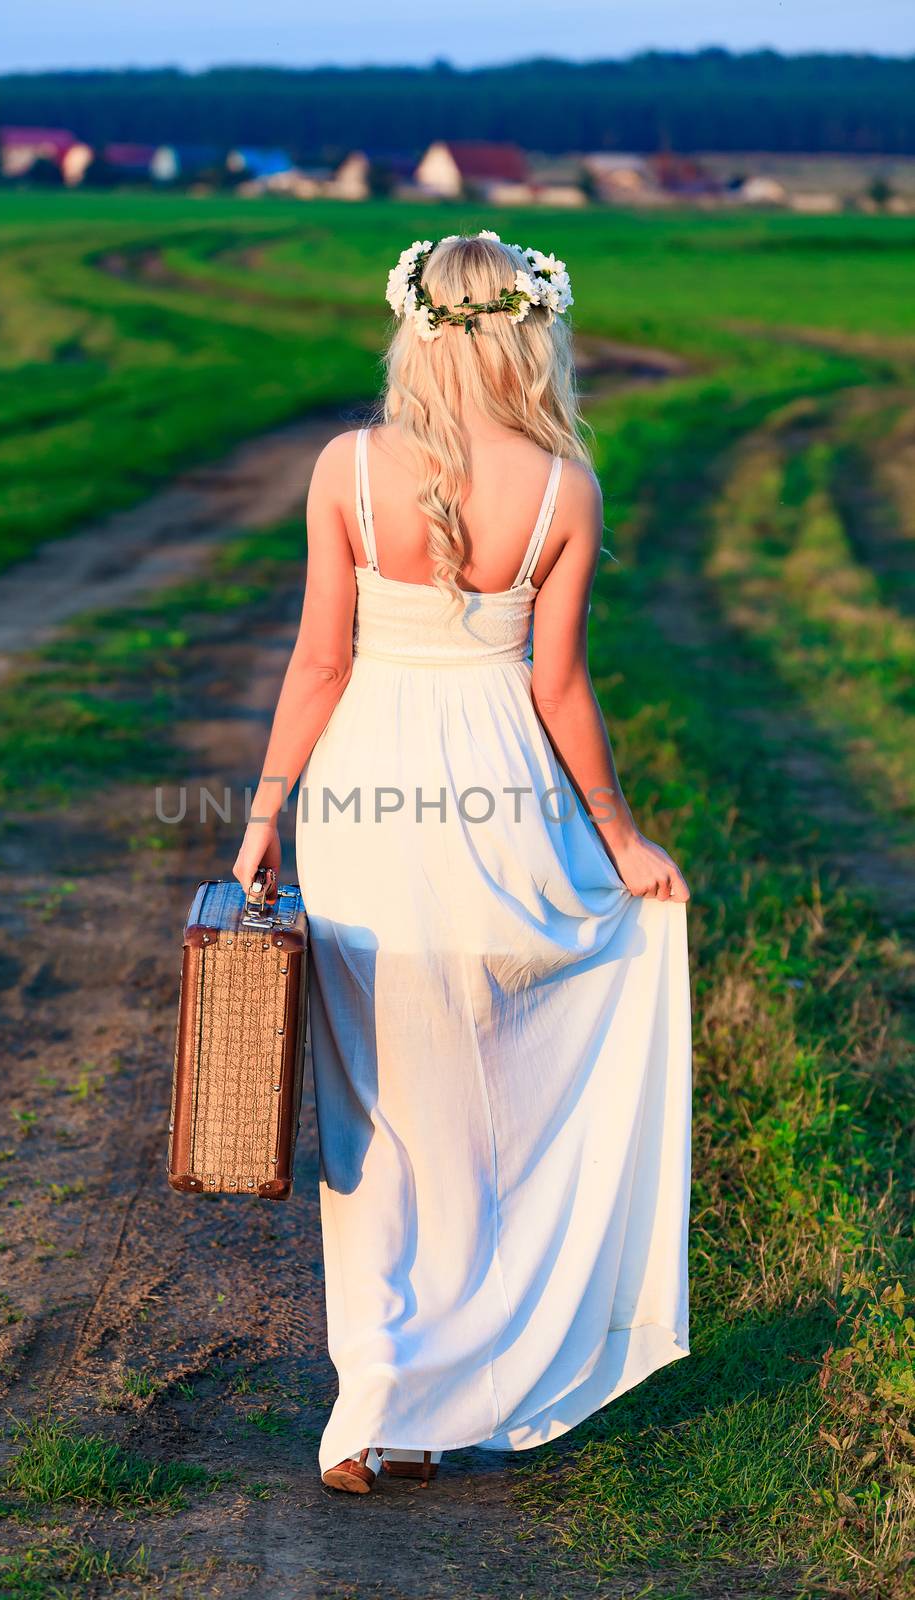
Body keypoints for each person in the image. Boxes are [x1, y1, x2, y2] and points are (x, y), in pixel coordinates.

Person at [234, 231, 692, 1493]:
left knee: (372, 1106)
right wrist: (621, 837)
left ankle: (376, 1402)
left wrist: (264, 817)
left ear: (411, 326)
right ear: (530, 327)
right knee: (490, 1110)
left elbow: (319, 663)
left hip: (366, 812)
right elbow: (558, 685)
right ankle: (444, 1393)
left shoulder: (345, 467)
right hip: (501, 814)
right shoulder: (563, 487)